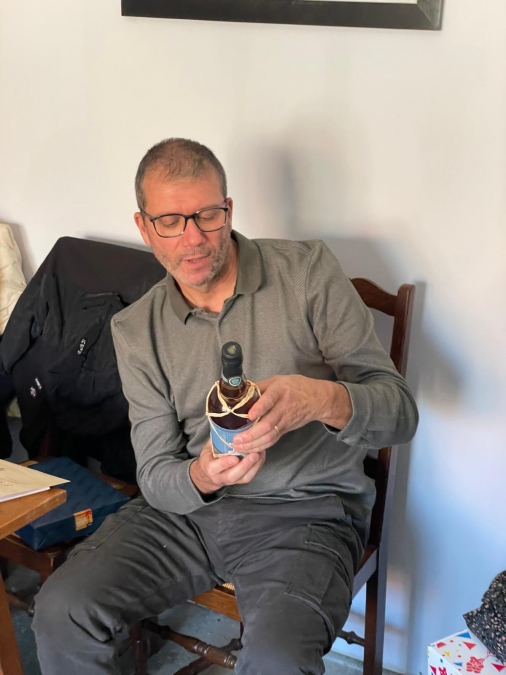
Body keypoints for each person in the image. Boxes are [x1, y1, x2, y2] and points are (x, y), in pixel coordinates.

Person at [32, 138, 418, 674]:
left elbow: (400, 413)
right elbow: (156, 472)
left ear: (228, 210)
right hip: (187, 515)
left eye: (207, 215)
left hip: (305, 512)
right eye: (170, 221)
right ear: (144, 228)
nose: (192, 238)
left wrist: (320, 398)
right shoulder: (137, 329)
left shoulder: (306, 272)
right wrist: (201, 475)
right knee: (63, 611)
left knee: (277, 661)